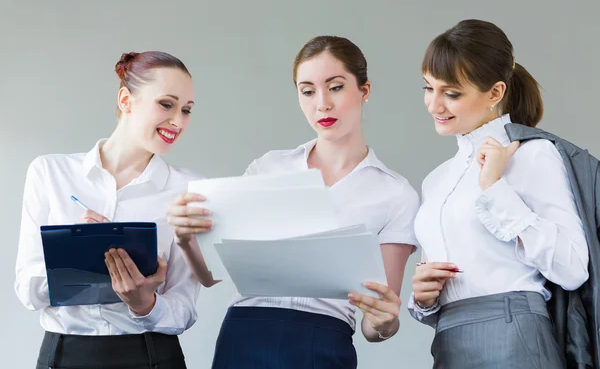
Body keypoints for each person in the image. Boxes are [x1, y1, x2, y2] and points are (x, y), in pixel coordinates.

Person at [167, 35, 420, 368]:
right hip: (244, 332)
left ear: (365, 91)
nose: (322, 104)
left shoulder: (395, 194)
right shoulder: (268, 168)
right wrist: (184, 239)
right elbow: (210, 275)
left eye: (336, 87)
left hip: (322, 340)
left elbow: (376, 321)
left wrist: (386, 322)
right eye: (308, 90)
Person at [409, 19, 590, 368]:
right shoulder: (436, 181)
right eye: (428, 88)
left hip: (512, 336)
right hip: (448, 341)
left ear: (495, 93)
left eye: (452, 93)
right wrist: (424, 298)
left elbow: (572, 267)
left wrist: (495, 188)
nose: (434, 105)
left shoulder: (532, 155)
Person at [15, 51, 205, 369]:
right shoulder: (50, 173)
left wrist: (146, 304)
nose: (179, 122)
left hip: (152, 356)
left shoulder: (191, 189)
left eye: (186, 110)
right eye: (166, 104)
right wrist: (79, 256)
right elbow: (28, 290)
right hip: (65, 356)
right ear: (126, 100)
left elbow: (184, 309)